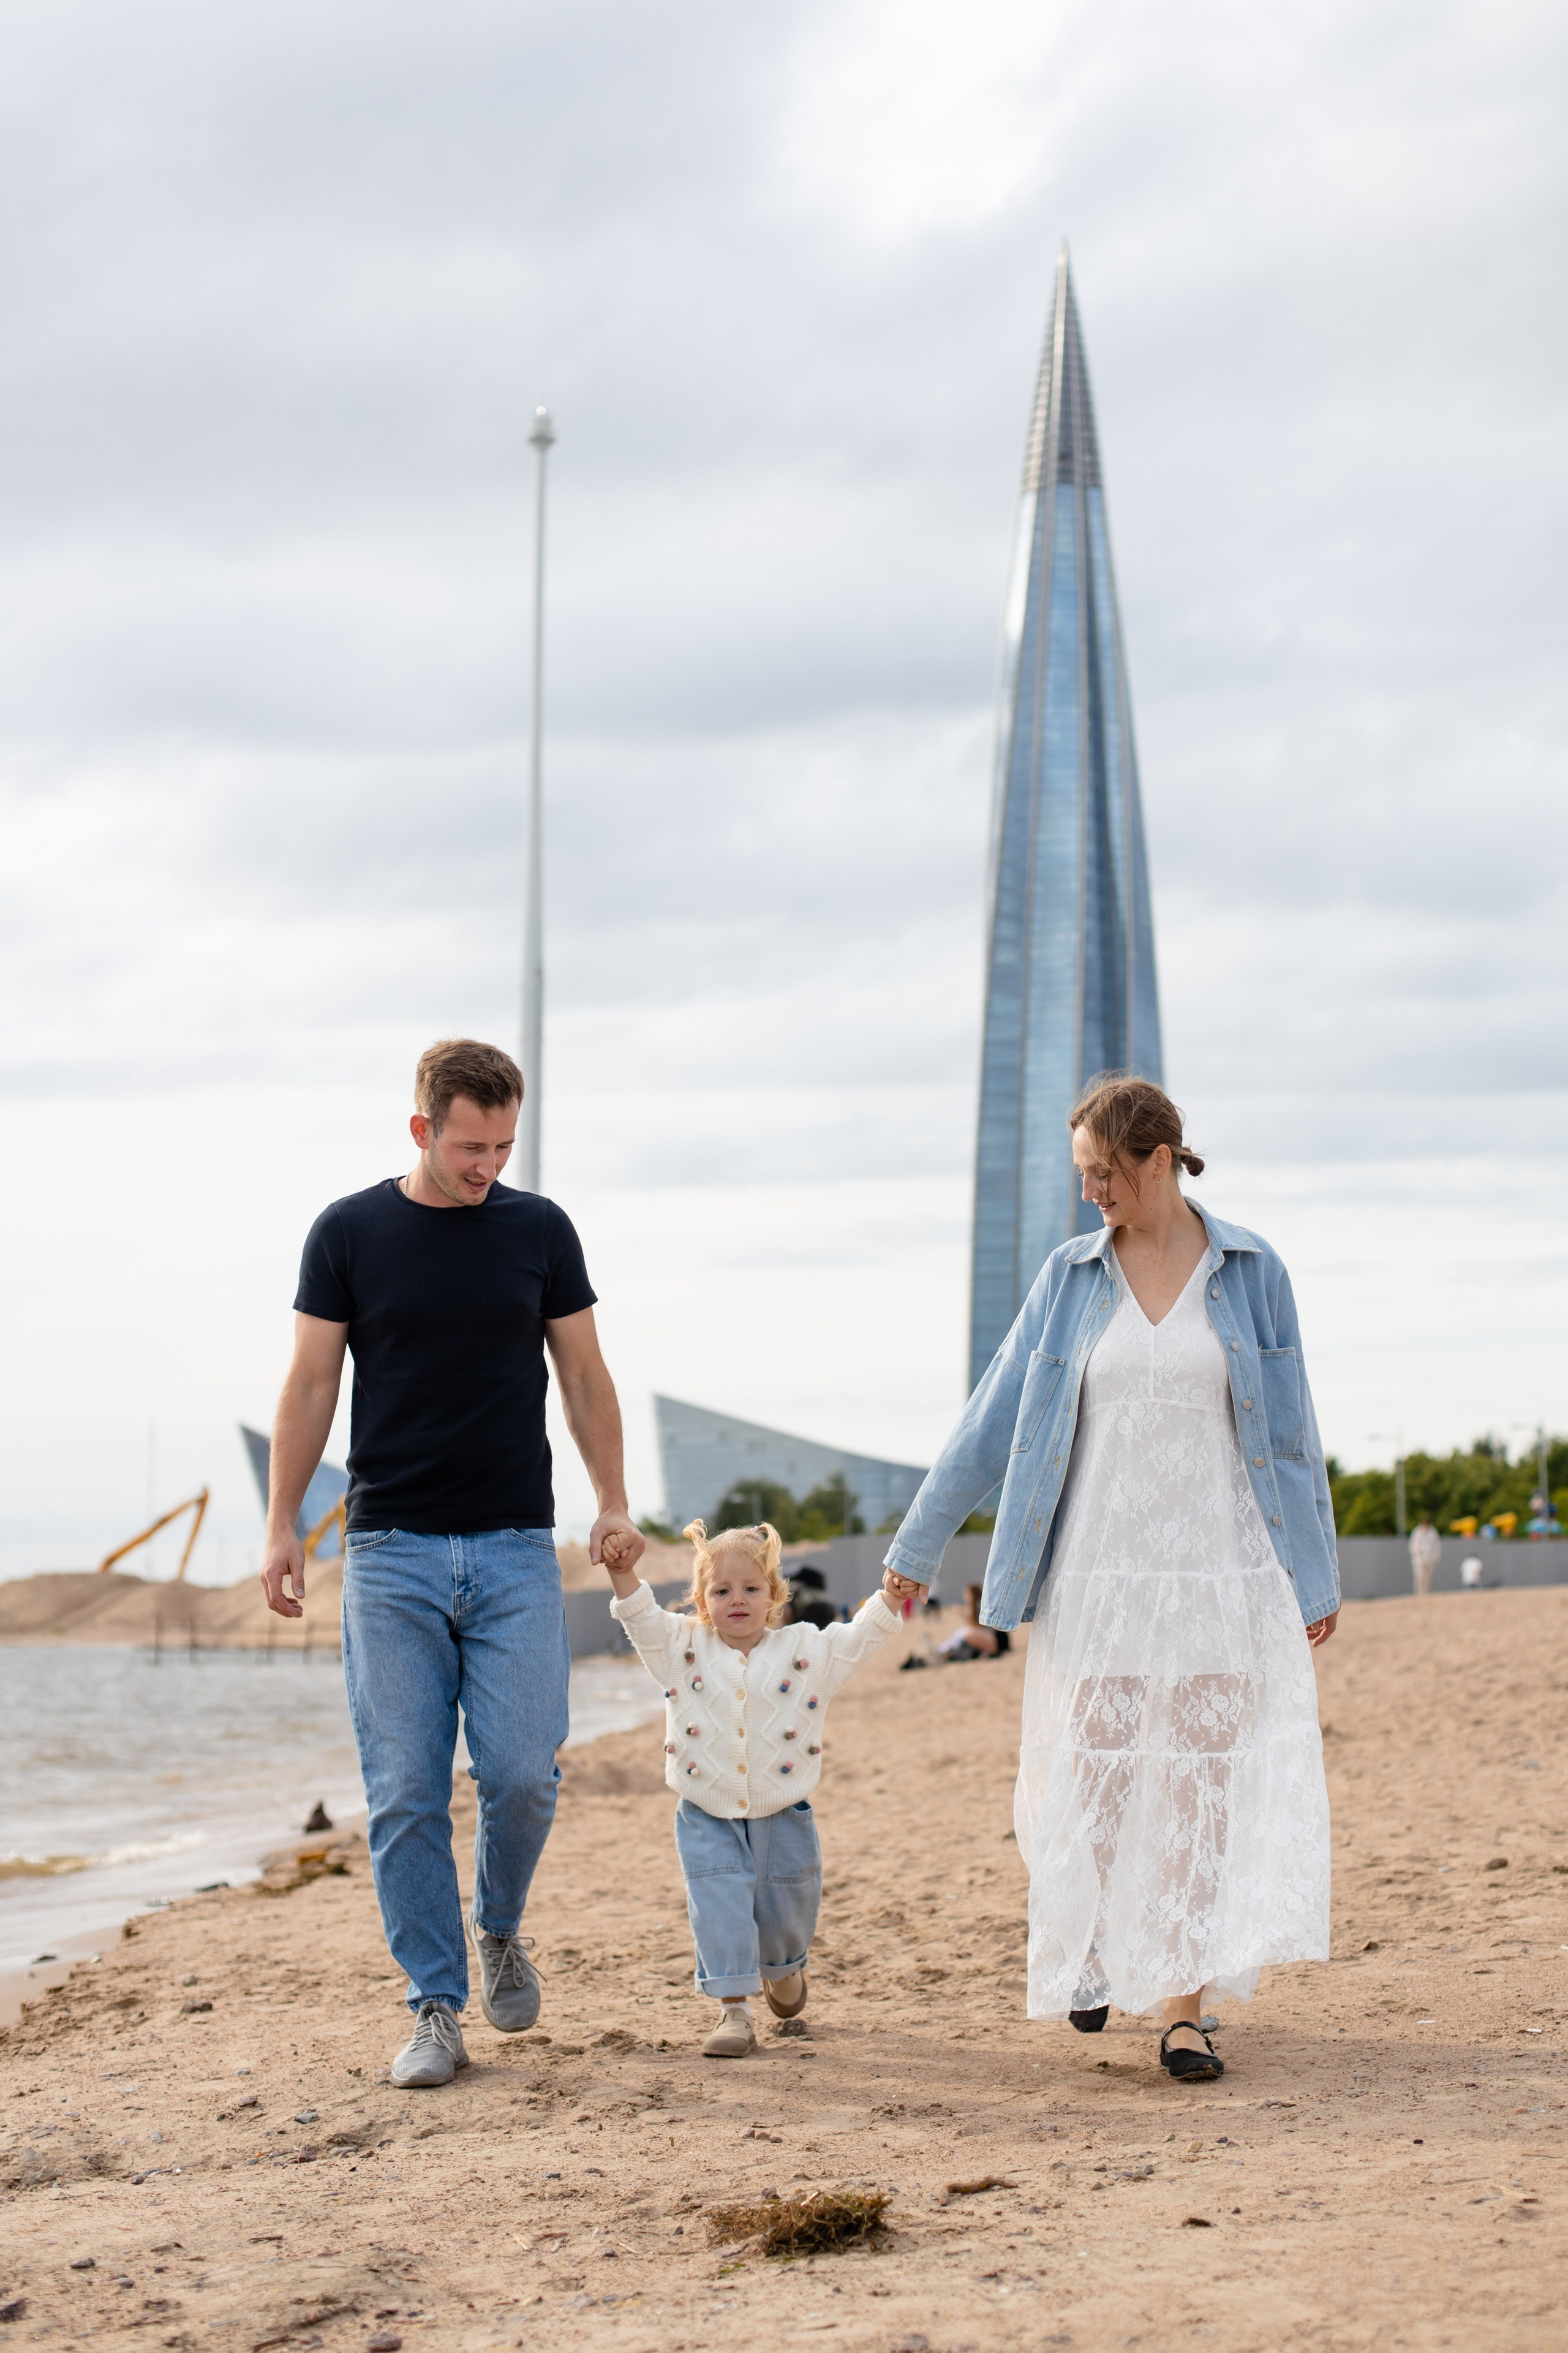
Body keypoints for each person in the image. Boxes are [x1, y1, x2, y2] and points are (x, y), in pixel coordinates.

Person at [884, 1074, 1337, 2084]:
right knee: (1095, 1771)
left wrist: (1314, 1577)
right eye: (1084, 1174)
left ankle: (1183, 2008)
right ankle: (1088, 1948)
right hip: (1102, 1571)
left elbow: (1295, 1438)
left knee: (1199, 1789)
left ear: (1160, 1161)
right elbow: (994, 1414)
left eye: (1105, 1174)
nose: (1092, 1191)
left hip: (1216, 1567)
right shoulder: (1071, 1277)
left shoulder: (1254, 1271)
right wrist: (918, 1545)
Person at [259, 1038, 644, 2090]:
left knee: (523, 1772)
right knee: (404, 1794)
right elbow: (307, 1386)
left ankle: (501, 1926)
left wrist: (612, 1500)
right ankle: (435, 2004)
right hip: (388, 1553)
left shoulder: (539, 1229)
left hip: (518, 1546)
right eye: (471, 1145)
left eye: (504, 1144)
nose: (489, 1165)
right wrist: (283, 1522)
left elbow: (585, 1374)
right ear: (422, 1128)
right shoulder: (347, 1232)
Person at [602, 1518, 915, 2056]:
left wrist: (889, 1596)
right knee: (718, 1901)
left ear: (774, 1594)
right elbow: (643, 1619)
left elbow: (859, 1638)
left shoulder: (806, 1650)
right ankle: (734, 2012)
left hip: (783, 1808)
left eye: (750, 1588)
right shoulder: (681, 1647)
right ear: (702, 1599)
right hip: (705, 1808)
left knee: (787, 1907)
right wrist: (623, 1572)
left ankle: (785, 1966)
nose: (737, 1599)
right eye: (721, 1590)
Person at [936, 1582, 1012, 1661]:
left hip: (996, 1639)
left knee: (964, 1632)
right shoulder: (980, 1605)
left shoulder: (980, 1606)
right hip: (993, 1637)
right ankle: (942, 1650)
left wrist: (961, 1613)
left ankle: (942, 1651)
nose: (965, 1596)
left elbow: (976, 1625)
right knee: (962, 1632)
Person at [1408, 1518, 1441, 1598]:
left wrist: (1436, 1557)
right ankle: (1419, 1593)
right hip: (1419, 1559)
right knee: (1419, 1576)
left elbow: (1437, 1546)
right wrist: (1417, 1554)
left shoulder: (1433, 1533)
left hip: (1430, 1558)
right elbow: (1413, 1546)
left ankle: (1426, 1593)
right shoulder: (1417, 1532)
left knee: (1428, 1577)